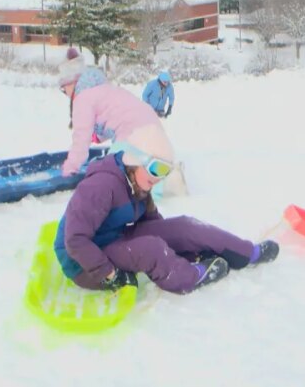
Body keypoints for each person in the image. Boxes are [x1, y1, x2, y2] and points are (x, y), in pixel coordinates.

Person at [53, 129, 280, 294]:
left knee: (184, 226)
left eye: (166, 170)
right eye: (156, 168)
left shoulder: (138, 182)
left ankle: (246, 253)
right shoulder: (101, 186)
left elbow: (154, 224)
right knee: (151, 249)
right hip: (83, 263)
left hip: (114, 238)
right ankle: (189, 277)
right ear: (136, 162)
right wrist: (109, 274)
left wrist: (181, 246)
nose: (160, 178)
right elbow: (74, 240)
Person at [57, 48, 187, 196]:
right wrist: (98, 137)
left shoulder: (82, 98)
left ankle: (167, 184)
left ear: (71, 83)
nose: (65, 94)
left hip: (131, 132)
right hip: (150, 123)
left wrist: (70, 169)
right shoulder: (104, 89)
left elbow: (80, 140)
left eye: (63, 89)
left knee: (118, 173)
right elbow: (115, 116)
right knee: (144, 161)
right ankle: (167, 169)